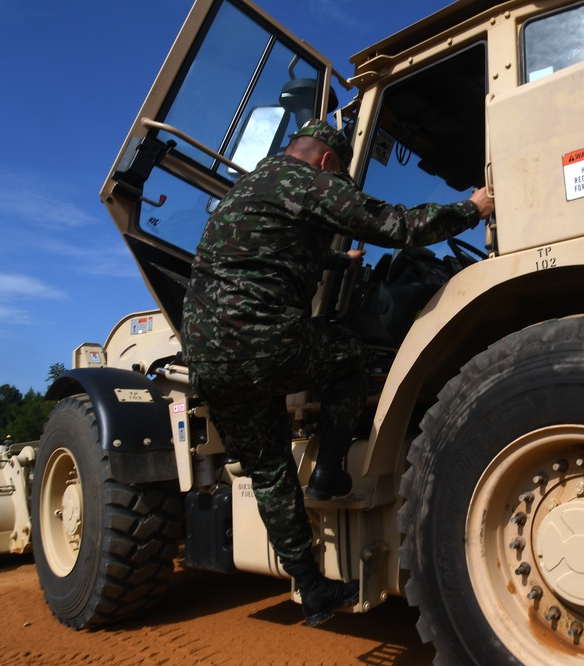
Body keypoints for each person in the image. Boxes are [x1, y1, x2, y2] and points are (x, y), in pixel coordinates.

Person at [181, 119, 494, 626]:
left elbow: (265, 252)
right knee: (349, 353)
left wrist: (336, 261)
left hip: (207, 356)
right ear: (328, 162)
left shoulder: (249, 189)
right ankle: (329, 470)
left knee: (268, 470)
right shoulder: (310, 181)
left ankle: (313, 587)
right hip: (265, 340)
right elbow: (397, 228)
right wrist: (470, 208)